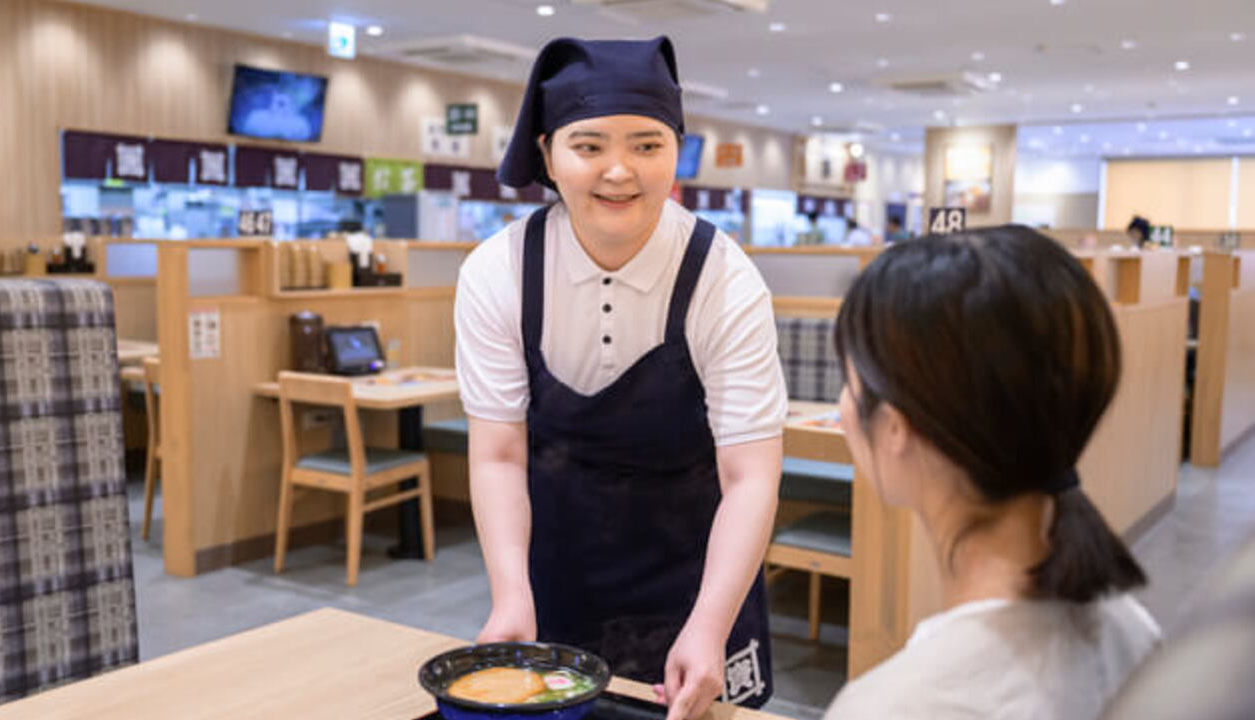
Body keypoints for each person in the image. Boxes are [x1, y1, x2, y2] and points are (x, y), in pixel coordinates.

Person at [454, 36, 786, 720]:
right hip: (558, 576)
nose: (619, 172)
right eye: (589, 146)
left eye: (646, 144)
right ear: (547, 153)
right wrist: (511, 596)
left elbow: (750, 476)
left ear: (676, 153)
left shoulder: (725, 278)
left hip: (701, 580)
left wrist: (711, 625)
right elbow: (498, 454)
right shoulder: (498, 273)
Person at [822, 225, 1161, 720]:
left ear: (897, 428)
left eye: (850, 385)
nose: (842, 409)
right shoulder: (1133, 632)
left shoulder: (896, 706)